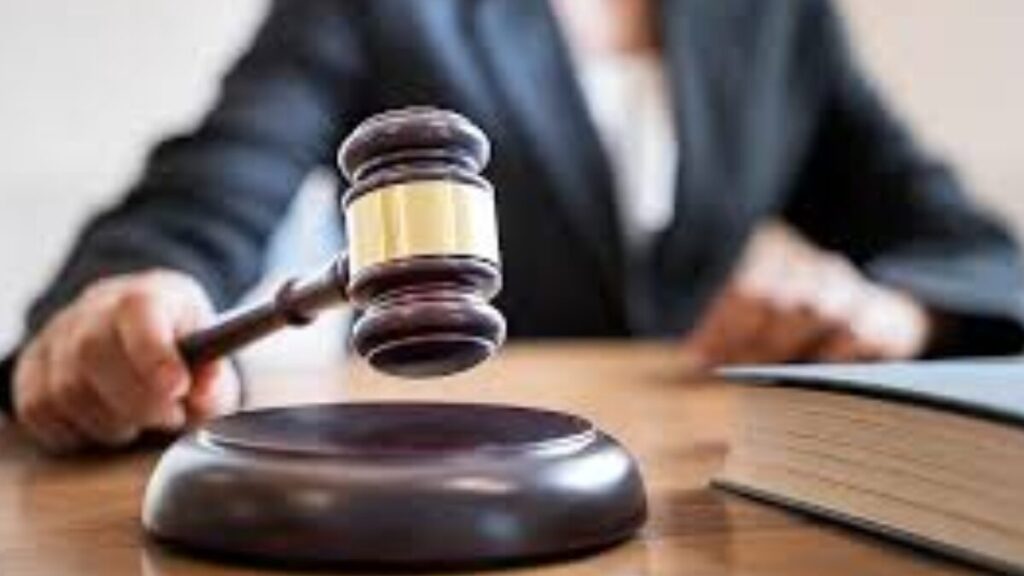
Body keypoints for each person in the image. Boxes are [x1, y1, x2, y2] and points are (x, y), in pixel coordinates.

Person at [4, 0, 1023, 453]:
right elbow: (204, 192)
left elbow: (966, 243)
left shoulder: (773, 14)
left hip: (711, 480)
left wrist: (900, 312)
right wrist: (129, 298)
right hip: (445, 463)